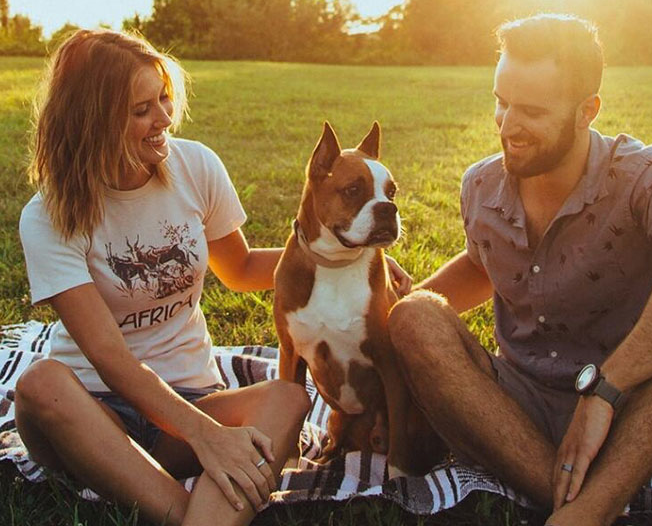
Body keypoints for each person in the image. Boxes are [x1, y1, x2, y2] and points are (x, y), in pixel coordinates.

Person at [13, 29, 409, 526]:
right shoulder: (49, 215)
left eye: (164, 99)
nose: (163, 120)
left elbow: (240, 270)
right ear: (90, 120)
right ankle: (190, 515)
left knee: (286, 396)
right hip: (93, 414)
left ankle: (196, 515)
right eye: (141, 110)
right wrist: (207, 436)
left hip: (192, 399)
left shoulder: (194, 165)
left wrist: (346, 262)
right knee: (39, 383)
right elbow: (111, 358)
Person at [386, 14, 652, 526]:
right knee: (412, 315)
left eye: (531, 110)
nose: (507, 126)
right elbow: (480, 264)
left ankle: (591, 506)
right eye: (501, 101)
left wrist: (606, 390)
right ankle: (573, 498)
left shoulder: (645, 174)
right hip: (516, 413)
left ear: (587, 111)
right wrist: (410, 296)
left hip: (633, 423)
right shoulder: (481, 186)